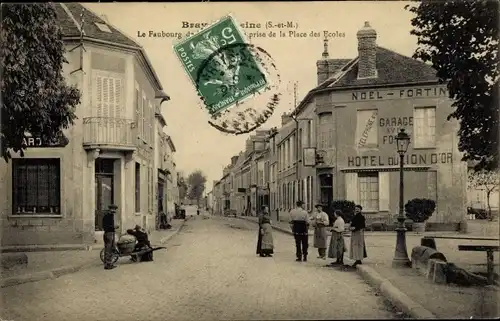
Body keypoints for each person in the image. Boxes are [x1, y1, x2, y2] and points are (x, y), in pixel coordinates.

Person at [102, 205, 119, 270]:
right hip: (109, 233)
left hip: (110, 233)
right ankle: (107, 265)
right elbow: (106, 226)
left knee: (111, 248)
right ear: (110, 210)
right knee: (108, 249)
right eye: (113, 210)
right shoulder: (107, 216)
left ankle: (110, 263)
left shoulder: (110, 216)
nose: (114, 211)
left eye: (115, 210)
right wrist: (114, 227)